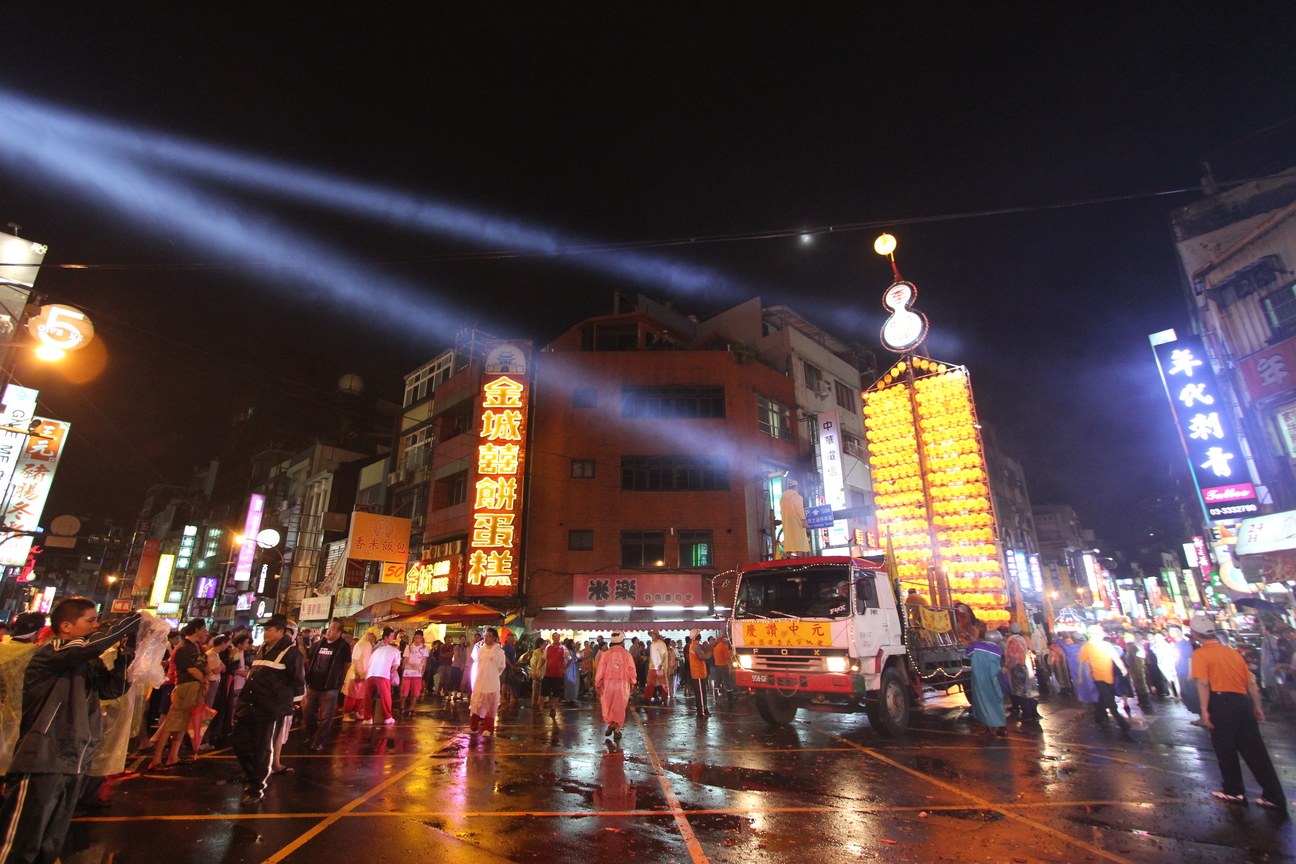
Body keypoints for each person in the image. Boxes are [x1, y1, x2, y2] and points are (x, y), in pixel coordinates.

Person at [0, 598, 139, 864]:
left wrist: (126, 655)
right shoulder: (52, 651)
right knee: (21, 842)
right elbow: (88, 646)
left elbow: (112, 689)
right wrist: (130, 621)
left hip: (73, 758)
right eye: (90, 620)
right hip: (43, 756)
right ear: (65, 626)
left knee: (51, 842)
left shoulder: (87, 660)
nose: (96, 625)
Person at [1190, 614, 1286, 810]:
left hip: (1221, 703)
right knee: (1255, 751)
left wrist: (1204, 711)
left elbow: (1203, 683)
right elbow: (1251, 682)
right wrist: (1257, 706)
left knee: (1225, 748)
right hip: (1242, 702)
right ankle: (1274, 795)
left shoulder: (1201, 654)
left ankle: (1234, 790)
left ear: (1194, 634)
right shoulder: (1232, 652)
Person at [231, 615, 304, 805]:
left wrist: (290, 705)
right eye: (264, 630)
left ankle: (257, 789)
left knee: (264, 748)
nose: (265, 633)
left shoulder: (291, 652)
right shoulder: (263, 649)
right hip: (249, 705)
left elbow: (297, 682)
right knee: (240, 743)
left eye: (269, 630)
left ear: (280, 631)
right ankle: (253, 772)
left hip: (270, 709)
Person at [149, 619, 208, 769]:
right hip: (185, 686)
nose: (205, 632)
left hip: (196, 687)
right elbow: (191, 669)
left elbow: (203, 667)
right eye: (204, 629)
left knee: (183, 723)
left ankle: (173, 756)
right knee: (172, 722)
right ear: (197, 630)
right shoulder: (183, 648)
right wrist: (204, 681)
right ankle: (156, 759)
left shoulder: (198, 647)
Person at [301, 619, 352, 752]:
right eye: (329, 628)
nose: (329, 631)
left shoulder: (343, 646)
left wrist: (339, 677)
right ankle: (313, 735)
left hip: (330, 687)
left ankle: (318, 741)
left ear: (339, 632)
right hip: (313, 685)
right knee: (307, 712)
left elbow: (347, 664)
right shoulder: (318, 644)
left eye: (333, 629)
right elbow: (310, 660)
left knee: (326, 717)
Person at [1079, 627, 1130, 734]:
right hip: (1098, 677)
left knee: (1104, 698)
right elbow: (1081, 663)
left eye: (1100, 633)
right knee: (1110, 702)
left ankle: (1099, 717)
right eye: (1097, 634)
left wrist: (1122, 668)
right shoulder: (1087, 647)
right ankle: (1122, 723)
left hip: (1109, 677)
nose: (1100, 635)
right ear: (1091, 634)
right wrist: (1080, 677)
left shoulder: (1106, 645)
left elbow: (1116, 658)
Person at [596, 632, 636, 742]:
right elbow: (632, 670)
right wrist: (633, 682)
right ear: (622, 641)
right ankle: (617, 729)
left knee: (608, 705)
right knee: (620, 706)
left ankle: (611, 723)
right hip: (622, 685)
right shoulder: (626, 655)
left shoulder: (606, 654)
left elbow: (600, 671)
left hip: (608, 685)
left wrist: (597, 683)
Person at [967, 629, 1007, 737]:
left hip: (980, 679)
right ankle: (1002, 728)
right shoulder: (997, 651)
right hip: (995, 679)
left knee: (984, 703)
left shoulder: (976, 647)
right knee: (997, 702)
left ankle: (989, 730)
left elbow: (968, 654)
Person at [468, 628, 508, 736]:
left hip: (492, 681)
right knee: (477, 703)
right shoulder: (481, 649)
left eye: (489, 636)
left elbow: (501, 667)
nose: (486, 638)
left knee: (491, 705)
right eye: (485, 636)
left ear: (494, 638)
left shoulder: (498, 651)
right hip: (480, 680)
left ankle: (487, 727)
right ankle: (474, 726)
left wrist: (492, 675)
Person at [365, 628, 402, 725]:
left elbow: (370, 662)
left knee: (367, 697)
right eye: (392, 636)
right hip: (383, 675)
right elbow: (395, 667)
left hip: (370, 674)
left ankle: (368, 718)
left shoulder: (378, 649)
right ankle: (388, 717)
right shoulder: (395, 651)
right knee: (386, 696)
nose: (393, 638)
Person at [1004, 623, 1039, 721]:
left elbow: (1013, 657)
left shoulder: (1011, 640)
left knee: (1020, 692)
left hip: (1017, 667)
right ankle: (1033, 712)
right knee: (1026, 690)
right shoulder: (1021, 639)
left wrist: (1007, 667)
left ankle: (1028, 714)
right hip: (1023, 666)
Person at [341, 628, 376, 722]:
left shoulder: (368, 644)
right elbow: (355, 660)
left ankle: (356, 712)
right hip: (355, 673)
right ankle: (346, 714)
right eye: (373, 636)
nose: (374, 639)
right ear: (369, 634)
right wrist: (357, 673)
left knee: (360, 695)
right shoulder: (360, 645)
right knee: (352, 695)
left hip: (364, 673)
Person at [400, 631, 429, 716]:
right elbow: (405, 659)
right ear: (414, 638)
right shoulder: (408, 647)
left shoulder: (424, 648)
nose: (417, 640)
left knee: (415, 691)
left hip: (417, 672)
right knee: (404, 690)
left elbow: (424, 661)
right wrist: (404, 669)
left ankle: (412, 708)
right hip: (408, 672)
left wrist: (422, 672)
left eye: (419, 638)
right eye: (416, 638)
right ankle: (402, 707)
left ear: (422, 638)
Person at [780, 478, 810, 554]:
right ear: (796, 487)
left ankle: (788, 558)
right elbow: (799, 510)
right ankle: (799, 558)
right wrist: (803, 520)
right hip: (796, 521)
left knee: (789, 540)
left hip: (786, 522)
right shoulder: (797, 497)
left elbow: (781, 511)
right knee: (799, 540)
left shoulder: (782, 498)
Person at [541, 632, 568, 719]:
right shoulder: (548, 648)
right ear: (553, 638)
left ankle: (553, 709)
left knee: (556, 693)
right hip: (548, 673)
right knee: (544, 692)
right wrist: (540, 667)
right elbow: (543, 658)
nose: (557, 639)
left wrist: (565, 668)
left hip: (557, 675)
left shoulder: (563, 648)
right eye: (555, 637)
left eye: (558, 637)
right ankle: (540, 708)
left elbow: (570, 658)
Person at [688, 630, 711, 718]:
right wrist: (710, 652)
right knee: (701, 694)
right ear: (697, 636)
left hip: (699, 673)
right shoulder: (695, 645)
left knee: (701, 693)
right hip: (698, 673)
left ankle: (703, 710)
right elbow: (703, 657)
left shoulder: (694, 645)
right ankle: (702, 712)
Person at [646, 631, 669, 704]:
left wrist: (661, 664)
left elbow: (664, 655)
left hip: (659, 667)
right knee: (650, 682)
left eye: (653, 635)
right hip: (652, 666)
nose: (652, 636)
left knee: (662, 683)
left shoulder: (661, 644)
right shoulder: (652, 644)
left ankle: (664, 698)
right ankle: (647, 698)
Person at [528, 636, 548, 711]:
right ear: (540, 644)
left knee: (542, 689)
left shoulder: (544, 652)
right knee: (536, 689)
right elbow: (533, 663)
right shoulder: (536, 652)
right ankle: (534, 704)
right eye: (544, 644)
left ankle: (540, 703)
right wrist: (534, 673)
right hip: (537, 673)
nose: (545, 646)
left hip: (544, 673)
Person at [711, 634, 732, 702]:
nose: (725, 640)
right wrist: (730, 668)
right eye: (724, 638)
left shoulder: (715, 648)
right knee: (727, 682)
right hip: (724, 666)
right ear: (721, 639)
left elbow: (714, 657)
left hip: (717, 666)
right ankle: (730, 698)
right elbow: (728, 659)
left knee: (717, 682)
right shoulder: (724, 647)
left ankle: (716, 697)